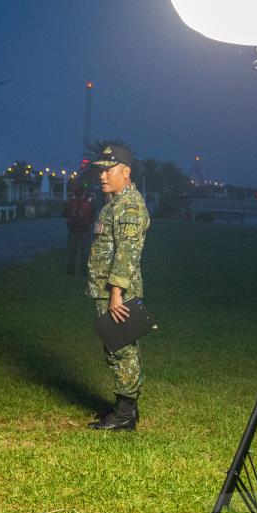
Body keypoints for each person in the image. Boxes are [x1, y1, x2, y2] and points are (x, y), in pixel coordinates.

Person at [86, 144, 150, 431]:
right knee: (116, 346)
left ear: (126, 173)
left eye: (109, 170)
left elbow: (127, 252)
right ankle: (125, 408)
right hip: (107, 289)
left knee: (121, 349)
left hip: (117, 292)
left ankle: (125, 414)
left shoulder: (130, 206)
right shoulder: (114, 203)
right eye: (101, 170)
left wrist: (116, 294)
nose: (102, 176)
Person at [66, 184, 95, 275]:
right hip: (73, 228)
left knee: (85, 252)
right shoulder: (72, 198)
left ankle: (84, 271)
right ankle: (71, 271)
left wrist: (86, 220)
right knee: (72, 251)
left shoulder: (90, 199)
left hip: (84, 228)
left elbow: (93, 214)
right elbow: (66, 211)